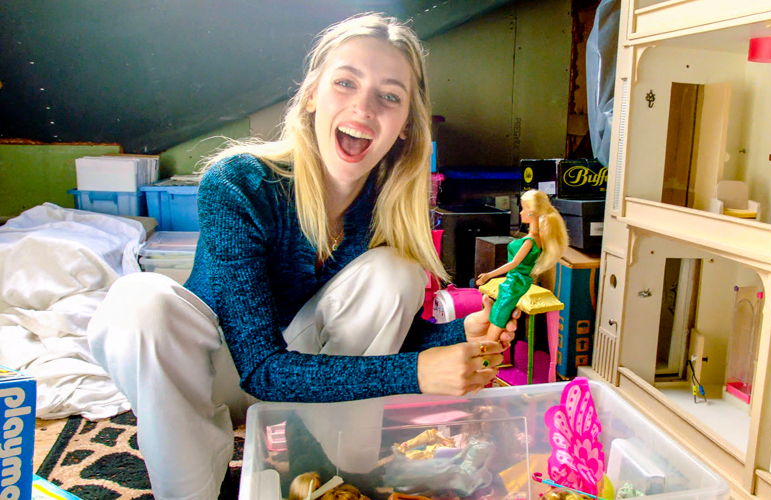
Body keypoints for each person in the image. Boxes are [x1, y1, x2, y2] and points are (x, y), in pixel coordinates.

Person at [87, 13, 518, 500]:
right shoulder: (240, 182)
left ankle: (335, 478)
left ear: (404, 126)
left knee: (394, 272)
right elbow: (260, 369)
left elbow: (381, 335)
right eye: (345, 83)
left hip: (307, 379)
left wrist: (461, 333)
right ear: (312, 94)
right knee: (141, 303)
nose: (363, 107)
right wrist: (419, 373)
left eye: (389, 96)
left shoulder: (390, 204)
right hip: (209, 375)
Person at [475, 189, 568, 342]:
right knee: (501, 315)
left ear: (532, 213)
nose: (520, 213)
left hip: (515, 282)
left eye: (524, 209)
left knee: (499, 315)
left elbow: (514, 263)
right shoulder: (536, 239)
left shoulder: (530, 241)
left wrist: (488, 275)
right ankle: (488, 345)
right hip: (518, 281)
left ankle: (486, 347)